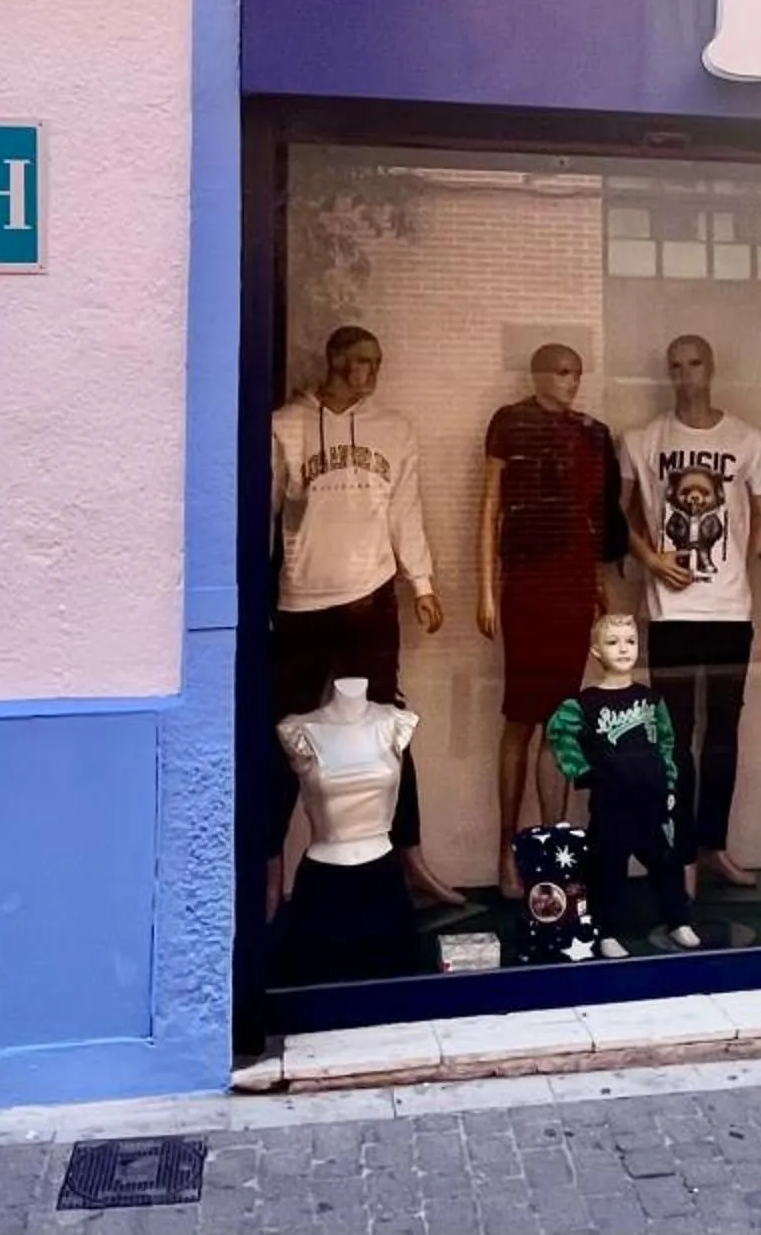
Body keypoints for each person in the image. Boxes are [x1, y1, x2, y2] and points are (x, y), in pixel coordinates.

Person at [267, 326, 457, 913]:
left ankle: (410, 859)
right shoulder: (287, 425)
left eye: (377, 362)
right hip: (301, 598)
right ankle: (268, 865)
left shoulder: (392, 431)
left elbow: (405, 512)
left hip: (371, 598)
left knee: (388, 729)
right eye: (358, 362)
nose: (369, 373)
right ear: (333, 361)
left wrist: (421, 583)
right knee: (283, 733)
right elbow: (265, 509)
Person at [619, 334, 761, 900]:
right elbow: (622, 516)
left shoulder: (746, 440)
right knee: (672, 736)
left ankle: (713, 845)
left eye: (694, 362)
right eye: (675, 366)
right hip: (669, 612)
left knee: (722, 735)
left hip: (729, 609)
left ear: (711, 365)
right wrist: (650, 559)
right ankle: (679, 851)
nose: (685, 374)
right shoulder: (643, 441)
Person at [479, 344, 623, 896]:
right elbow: (490, 506)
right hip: (525, 581)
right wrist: (485, 589)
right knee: (520, 715)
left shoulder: (592, 433)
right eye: (563, 372)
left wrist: (596, 581)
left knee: (561, 718)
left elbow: (590, 515)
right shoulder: (510, 423)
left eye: (578, 374)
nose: (571, 383)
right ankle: (505, 850)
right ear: (538, 372)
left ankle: (553, 850)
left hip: (570, 583)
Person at [545, 613, 700, 955]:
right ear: (596, 651)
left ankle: (679, 920)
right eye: (613, 642)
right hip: (612, 803)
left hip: (653, 799)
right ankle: (606, 931)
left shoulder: (651, 699)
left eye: (630, 641)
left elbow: (667, 744)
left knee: (666, 862)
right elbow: (559, 732)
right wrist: (583, 771)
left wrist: (669, 783)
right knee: (608, 868)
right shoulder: (584, 702)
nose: (623, 648)